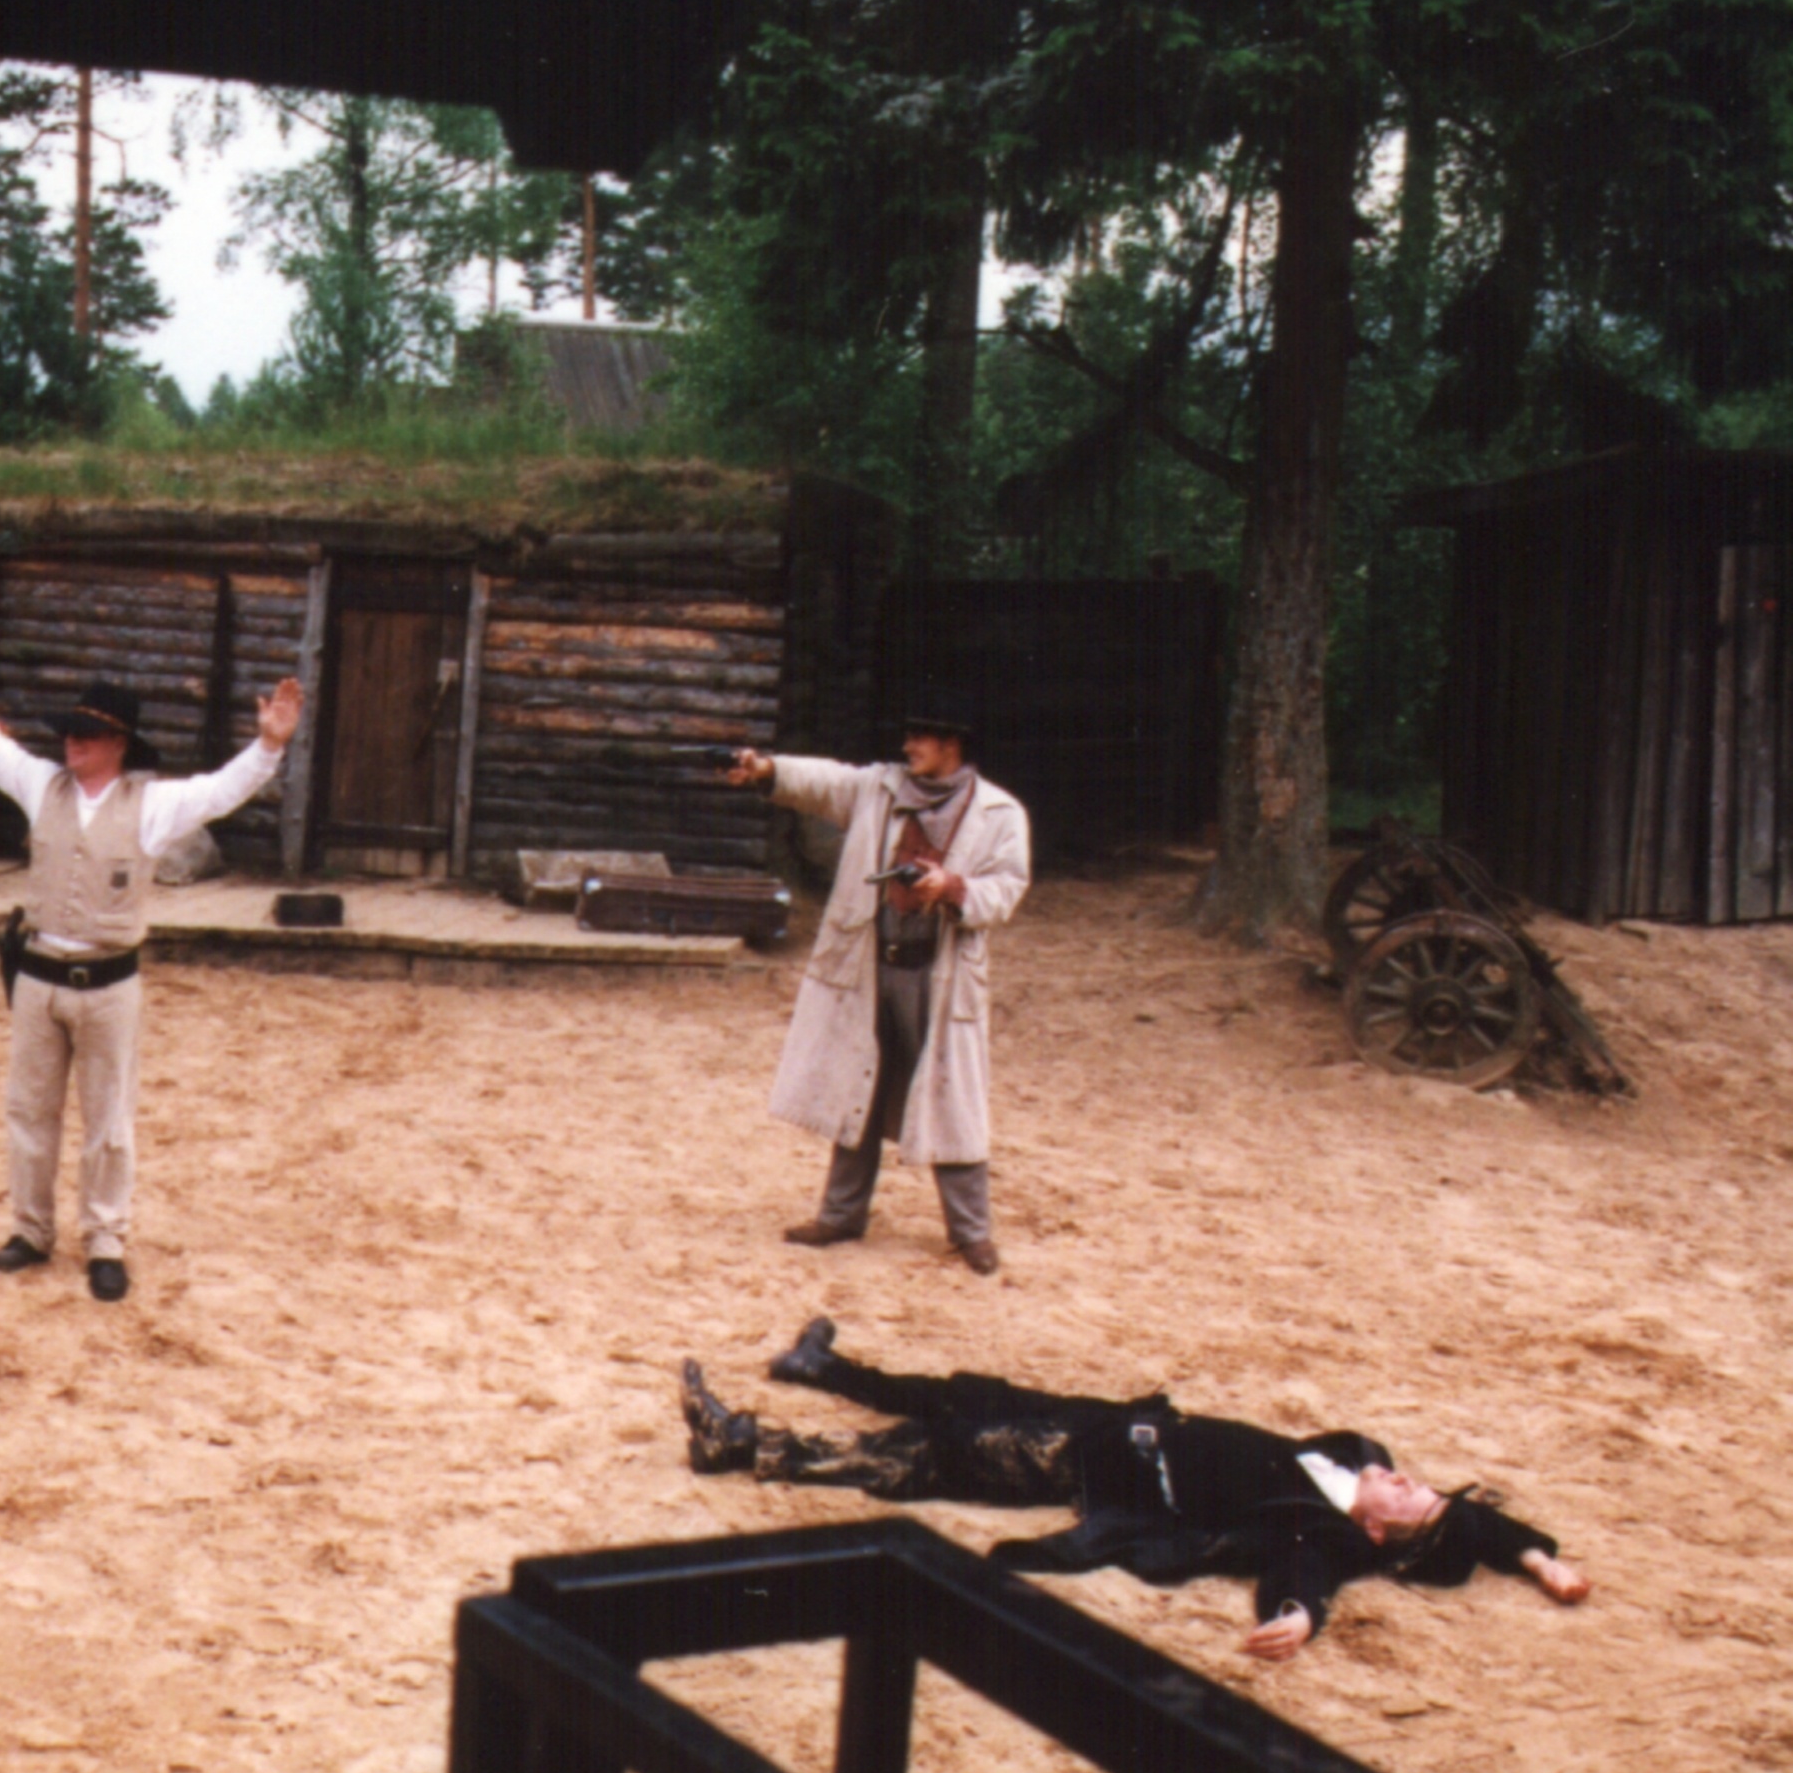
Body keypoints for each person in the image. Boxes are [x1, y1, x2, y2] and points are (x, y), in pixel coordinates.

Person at [678, 1320, 1591, 1660]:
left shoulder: (1330, 1535)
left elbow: (1303, 1575)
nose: (1403, 1476)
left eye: (1410, 1496)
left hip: (1103, 1465)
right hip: (1125, 1421)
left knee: (937, 1451)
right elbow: (1478, 1522)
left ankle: (752, 1442)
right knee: (967, 1400)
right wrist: (1542, 1560)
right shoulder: (1357, 1459)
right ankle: (820, 1369)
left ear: (1391, 1539)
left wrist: (1302, 1619)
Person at [0, 612, 303, 1302]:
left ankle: (106, 1239)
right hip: (37, 977)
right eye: (69, 732)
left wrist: (268, 746)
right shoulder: (39, 785)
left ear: (117, 743)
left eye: (86, 735)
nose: (71, 743)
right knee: (29, 1111)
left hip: (110, 983)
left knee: (108, 1122)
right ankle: (30, 1231)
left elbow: (221, 790)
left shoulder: (153, 805)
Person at [721, 705, 1029, 1273]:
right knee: (856, 1083)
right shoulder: (879, 789)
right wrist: (765, 769)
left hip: (939, 975)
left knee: (949, 1096)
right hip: (871, 965)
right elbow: (824, 780)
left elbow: (1007, 889)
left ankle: (971, 1232)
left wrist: (952, 887)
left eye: (921, 736)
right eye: (908, 734)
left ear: (952, 744)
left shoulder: (998, 813)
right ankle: (841, 1216)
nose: (909, 745)